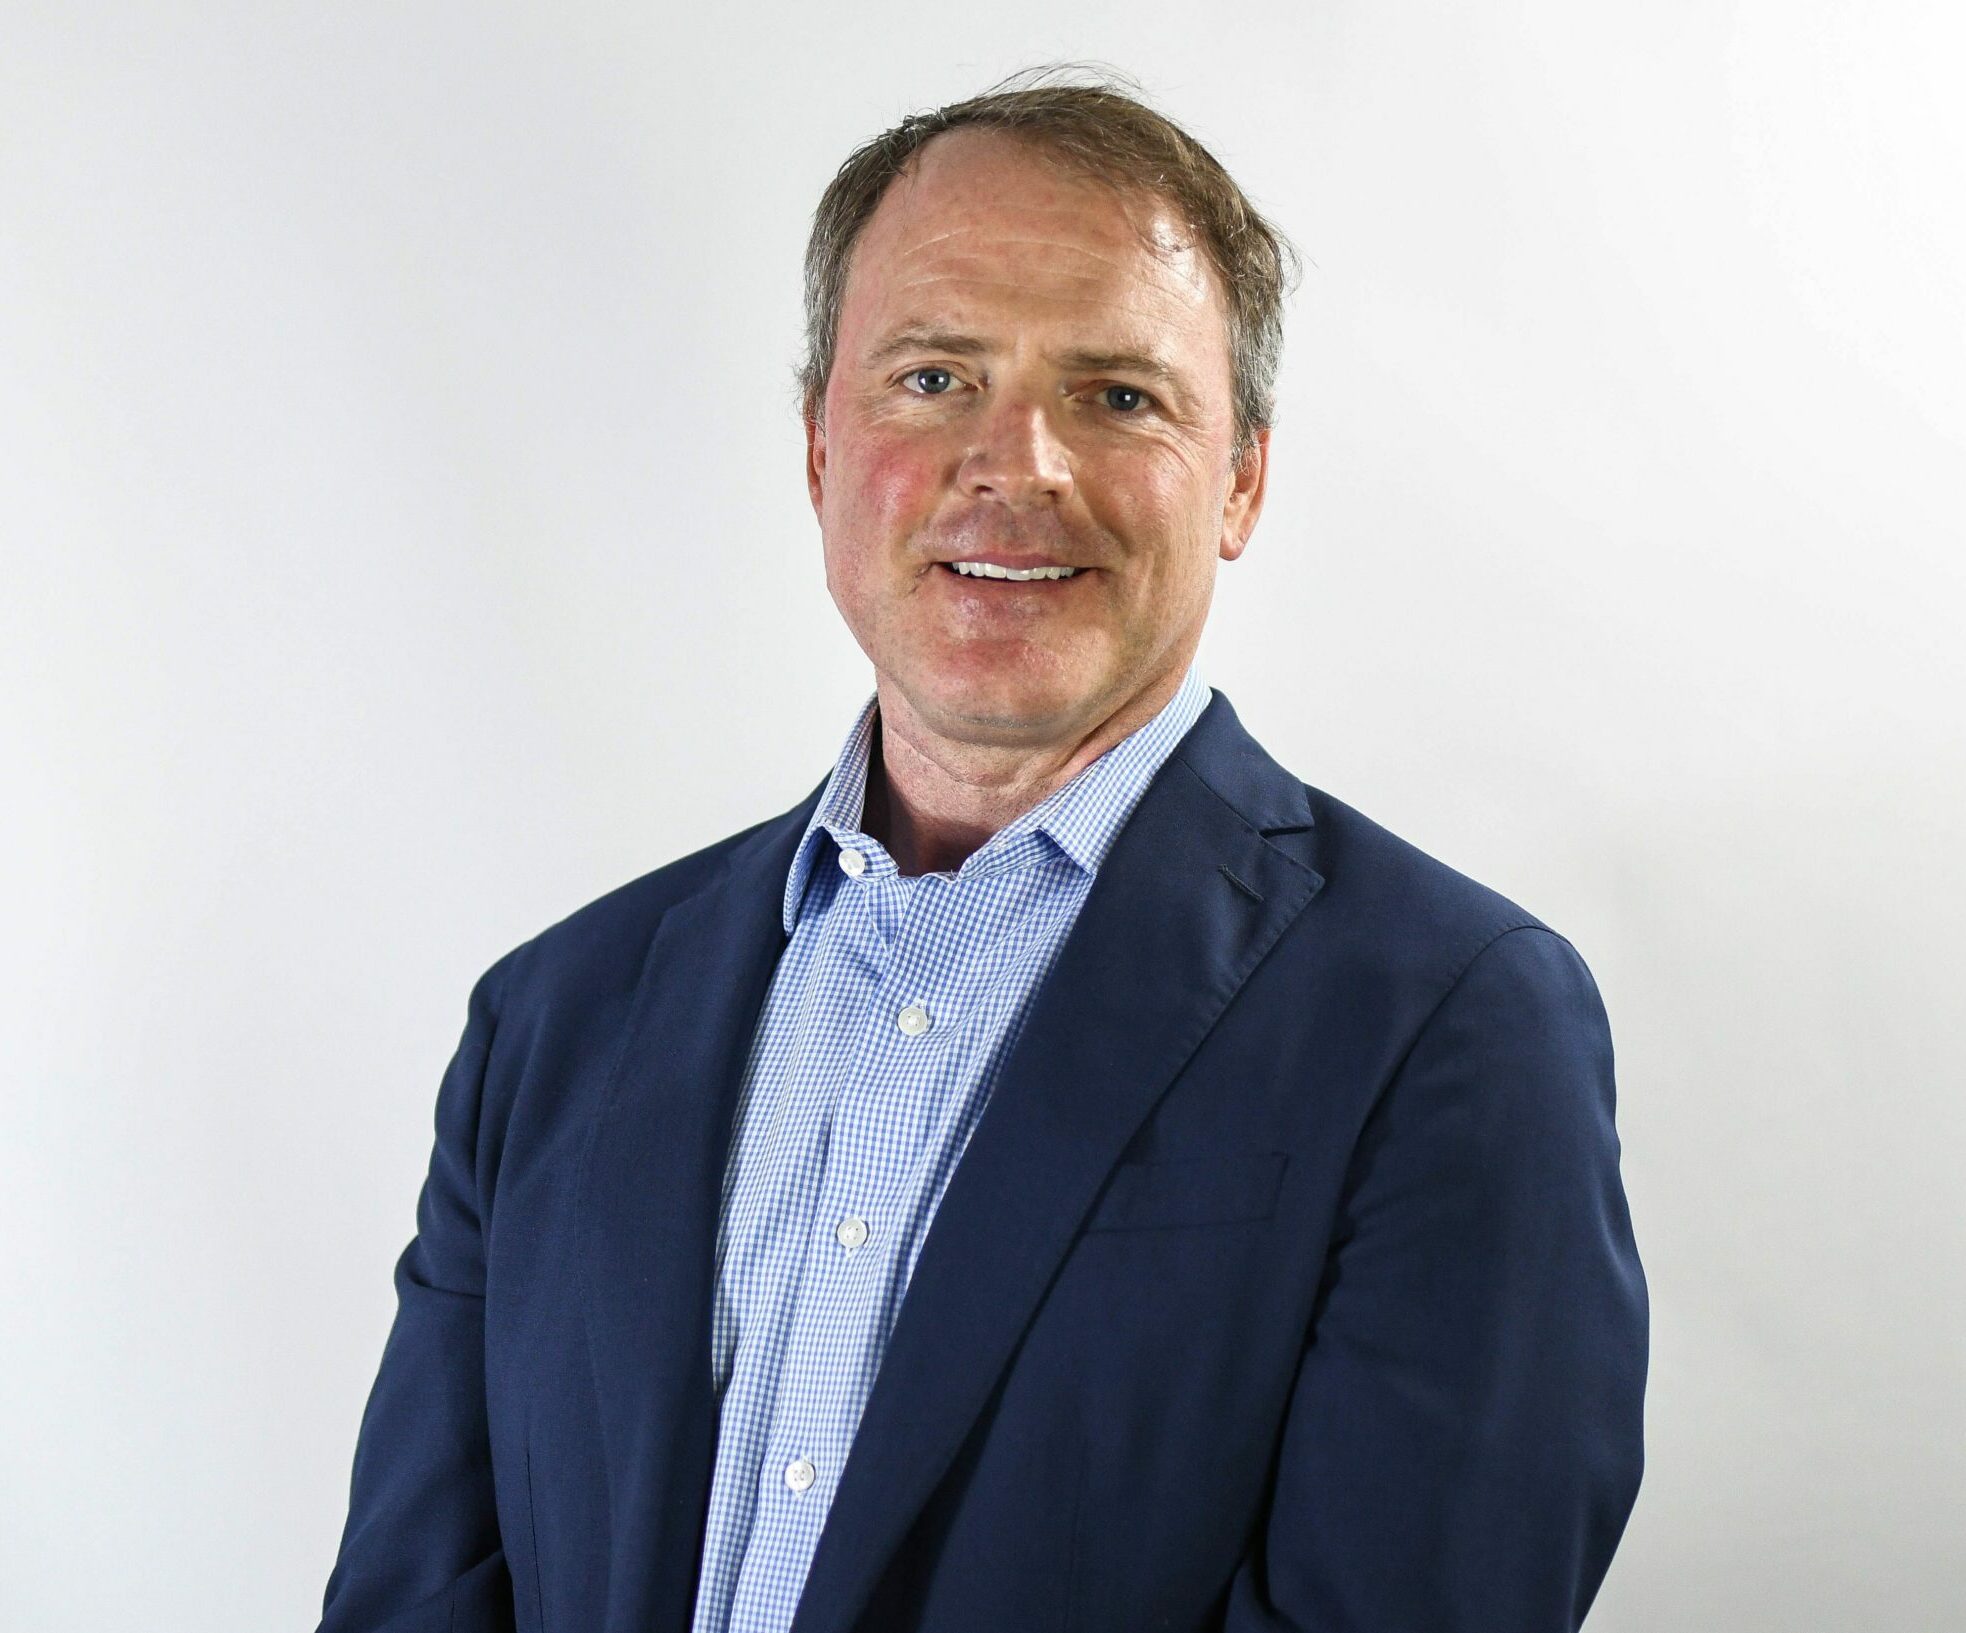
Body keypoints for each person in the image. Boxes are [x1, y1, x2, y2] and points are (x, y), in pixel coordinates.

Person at [317, 67, 1647, 1633]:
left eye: (1119, 394)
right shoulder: (554, 1020)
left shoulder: (1447, 1024)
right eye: (934, 378)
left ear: (1241, 480)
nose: (1019, 464)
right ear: (819, 449)